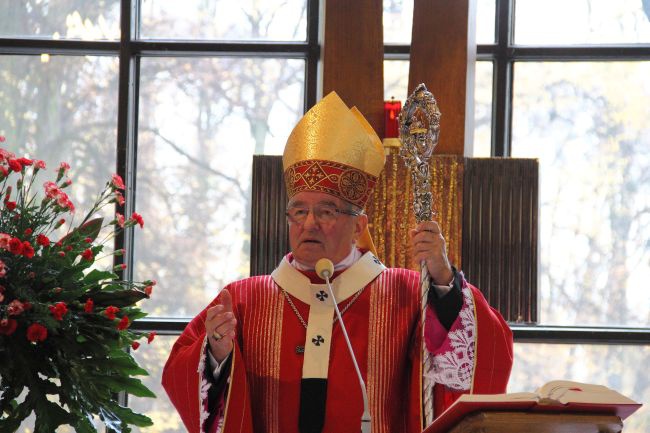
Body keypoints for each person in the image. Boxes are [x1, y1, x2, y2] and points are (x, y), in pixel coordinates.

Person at [162, 92, 513, 433]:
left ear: (359, 225)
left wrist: (442, 277)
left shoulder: (406, 293)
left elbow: (480, 359)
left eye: (326, 211)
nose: (309, 223)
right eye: (298, 211)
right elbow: (182, 372)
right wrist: (218, 355)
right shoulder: (242, 300)